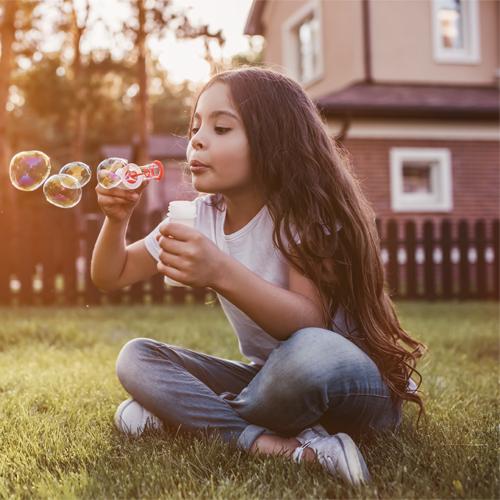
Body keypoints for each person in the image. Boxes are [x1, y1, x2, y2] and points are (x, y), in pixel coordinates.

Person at [91, 66, 427, 486]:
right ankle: (280, 446)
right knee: (136, 357)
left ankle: (185, 415)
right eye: (196, 126)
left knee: (309, 353)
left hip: (349, 386)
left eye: (221, 127)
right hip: (269, 384)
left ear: (274, 140)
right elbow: (111, 274)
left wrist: (219, 270)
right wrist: (117, 219)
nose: (196, 138)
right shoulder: (200, 218)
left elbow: (309, 324)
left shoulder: (304, 216)